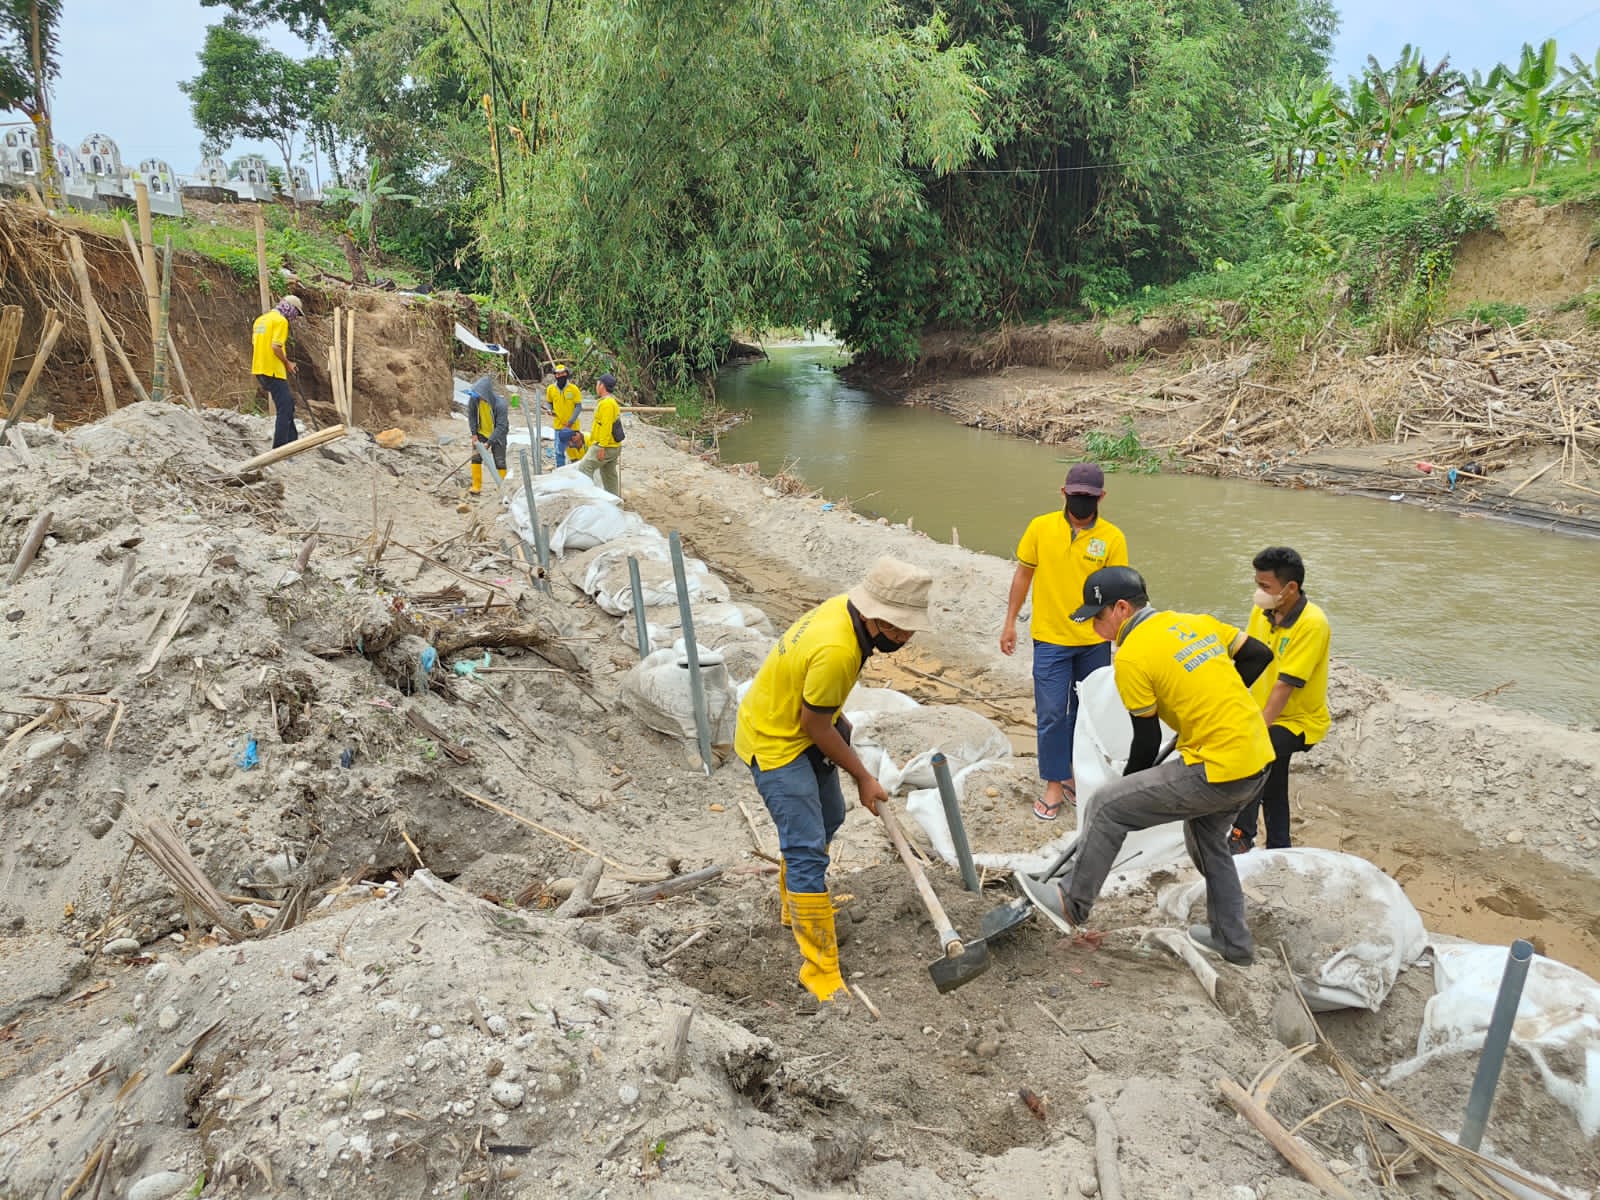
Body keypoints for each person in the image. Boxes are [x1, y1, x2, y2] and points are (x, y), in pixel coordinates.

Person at [1015, 566, 1275, 966]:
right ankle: (1233, 941)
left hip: (1218, 765)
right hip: (1256, 758)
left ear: (1120, 608)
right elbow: (1259, 654)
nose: (1096, 628)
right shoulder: (1193, 622)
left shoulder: (1132, 655)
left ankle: (1071, 902)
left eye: (1098, 618)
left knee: (1106, 804)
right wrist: (1215, 697)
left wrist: (1127, 788)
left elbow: (1148, 740)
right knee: (1207, 843)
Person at [735, 557, 934, 1010]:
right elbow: (814, 725)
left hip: (797, 724)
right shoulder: (839, 648)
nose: (907, 637)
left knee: (831, 815)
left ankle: (798, 906)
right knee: (805, 846)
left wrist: (839, 727)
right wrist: (863, 775)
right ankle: (820, 968)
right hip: (776, 741)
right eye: (904, 629)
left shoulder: (845, 615)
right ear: (878, 618)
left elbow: (820, 708)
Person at [1000, 463, 1128, 821]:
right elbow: (1024, 574)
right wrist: (1010, 623)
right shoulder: (1041, 528)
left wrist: (1120, 639)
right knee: (1053, 713)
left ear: (1101, 497)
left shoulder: (1112, 538)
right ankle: (1054, 782)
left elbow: (1119, 595)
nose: (1081, 502)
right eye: (1075, 496)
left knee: (1087, 716)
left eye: (1088, 497)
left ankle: (1076, 772)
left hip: (1094, 642)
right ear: (1063, 493)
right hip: (1050, 639)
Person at [1232, 547, 1331, 853]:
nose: (1259, 593)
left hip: (1299, 720)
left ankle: (1242, 835)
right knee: (1273, 781)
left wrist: (1255, 731)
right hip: (1263, 710)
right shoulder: (1261, 613)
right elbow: (1248, 662)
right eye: (1257, 584)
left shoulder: (1312, 623)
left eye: (1265, 587)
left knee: (1259, 754)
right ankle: (1279, 845)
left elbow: (1284, 687)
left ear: (1290, 588)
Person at [251, 295, 303, 448]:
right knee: (285, 408)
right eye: (296, 313)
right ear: (290, 309)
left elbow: (256, 343)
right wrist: (288, 363)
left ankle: (293, 442)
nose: (295, 318)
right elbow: (275, 346)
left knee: (287, 405)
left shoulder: (261, 320)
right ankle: (280, 448)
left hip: (259, 369)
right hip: (273, 370)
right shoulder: (281, 321)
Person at [578, 372, 623, 496]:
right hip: (612, 445)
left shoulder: (607, 404)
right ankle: (614, 501)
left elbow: (606, 426)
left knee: (584, 467)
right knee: (609, 474)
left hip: (606, 445)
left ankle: (589, 498)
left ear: (602, 385)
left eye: (597, 384)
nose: (596, 386)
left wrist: (602, 446)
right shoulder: (607, 402)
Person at [465, 374, 509, 495]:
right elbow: (472, 417)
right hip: (481, 433)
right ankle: (476, 486)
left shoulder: (500, 405)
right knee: (476, 458)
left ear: (486, 393)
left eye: (480, 394)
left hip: (498, 434)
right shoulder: (474, 400)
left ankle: (502, 488)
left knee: (499, 461)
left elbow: (501, 426)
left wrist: (489, 442)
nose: (478, 396)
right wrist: (474, 434)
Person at [547, 363, 583, 468]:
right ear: (555, 375)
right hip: (559, 425)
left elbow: (578, 406)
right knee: (559, 451)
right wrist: (549, 409)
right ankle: (560, 471)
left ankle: (577, 472)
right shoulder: (551, 389)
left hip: (573, 426)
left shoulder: (574, 389)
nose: (560, 376)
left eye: (563, 373)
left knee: (575, 451)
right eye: (557, 374)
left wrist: (570, 421)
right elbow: (549, 402)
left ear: (567, 374)